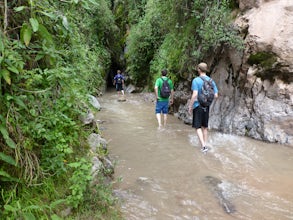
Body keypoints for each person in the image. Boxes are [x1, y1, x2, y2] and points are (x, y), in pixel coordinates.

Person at [188, 62, 218, 152]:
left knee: (197, 127)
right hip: (206, 106)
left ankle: (203, 146)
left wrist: (190, 106)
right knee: (205, 126)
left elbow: (195, 94)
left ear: (198, 70)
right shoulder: (211, 81)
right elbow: (216, 95)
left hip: (198, 106)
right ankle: (205, 144)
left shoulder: (196, 80)